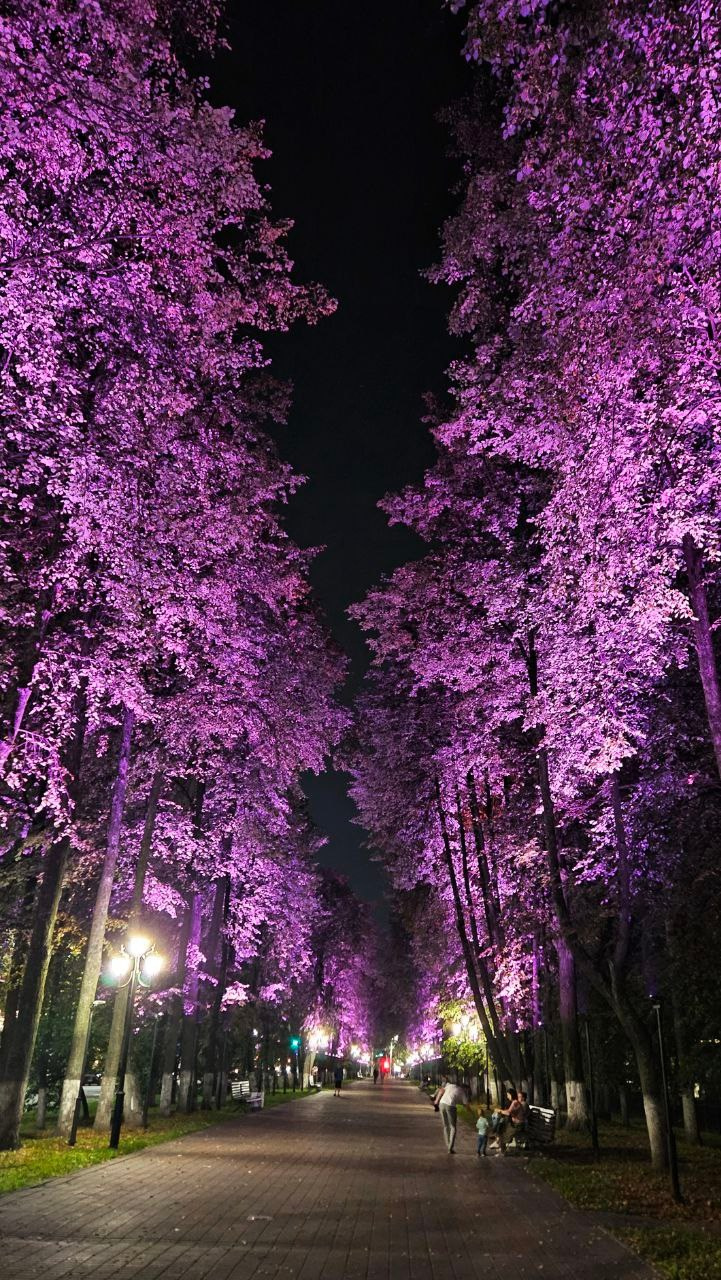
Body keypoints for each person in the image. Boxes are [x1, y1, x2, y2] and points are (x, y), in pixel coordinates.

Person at [432, 1076, 467, 1154]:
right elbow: (466, 1105)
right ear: (464, 1088)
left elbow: (441, 1091)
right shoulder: (462, 1091)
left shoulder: (450, 1086)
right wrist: (471, 1112)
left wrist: (436, 1101)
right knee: (453, 1127)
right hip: (451, 1106)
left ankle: (448, 1145)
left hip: (442, 1104)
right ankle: (450, 1148)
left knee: (445, 1126)